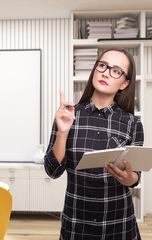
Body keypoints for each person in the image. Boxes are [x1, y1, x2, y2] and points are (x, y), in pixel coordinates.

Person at [44, 47, 144, 240]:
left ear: (124, 83)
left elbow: (135, 178)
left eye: (116, 70)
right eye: (103, 65)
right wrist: (62, 133)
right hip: (76, 225)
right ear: (95, 70)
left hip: (119, 224)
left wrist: (128, 177)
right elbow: (53, 171)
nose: (106, 72)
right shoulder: (68, 115)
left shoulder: (133, 124)